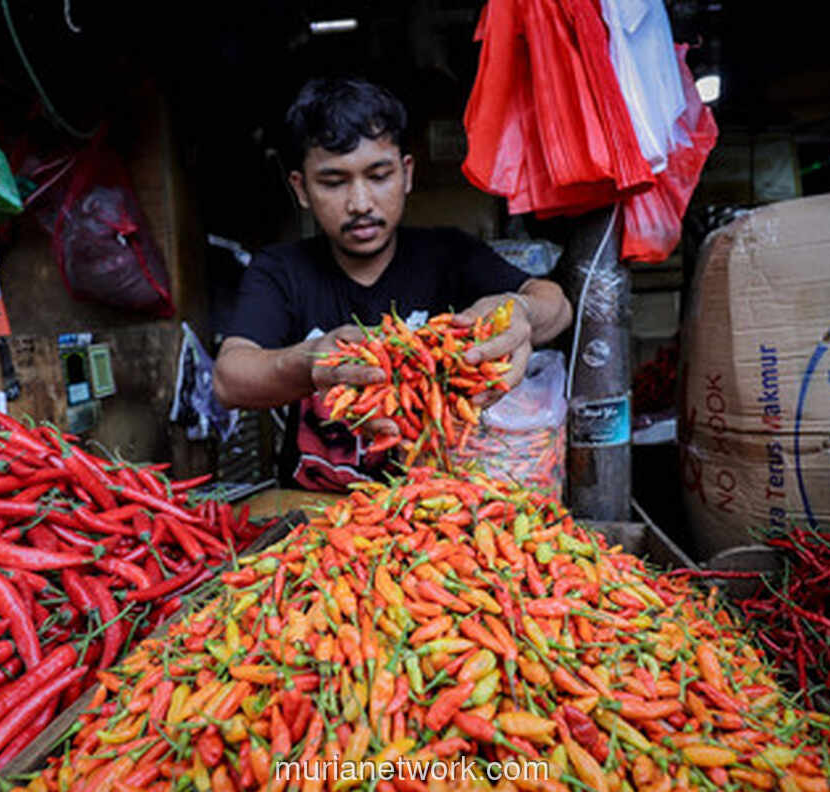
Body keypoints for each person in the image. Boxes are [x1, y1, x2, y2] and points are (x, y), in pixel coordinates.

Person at [214, 77, 572, 490]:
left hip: (436, 507)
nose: (361, 203)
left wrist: (520, 312)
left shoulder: (450, 254)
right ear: (302, 189)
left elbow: (555, 304)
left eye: (379, 175)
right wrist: (309, 360)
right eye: (333, 182)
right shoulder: (281, 270)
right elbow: (229, 379)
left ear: (406, 174)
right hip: (318, 513)